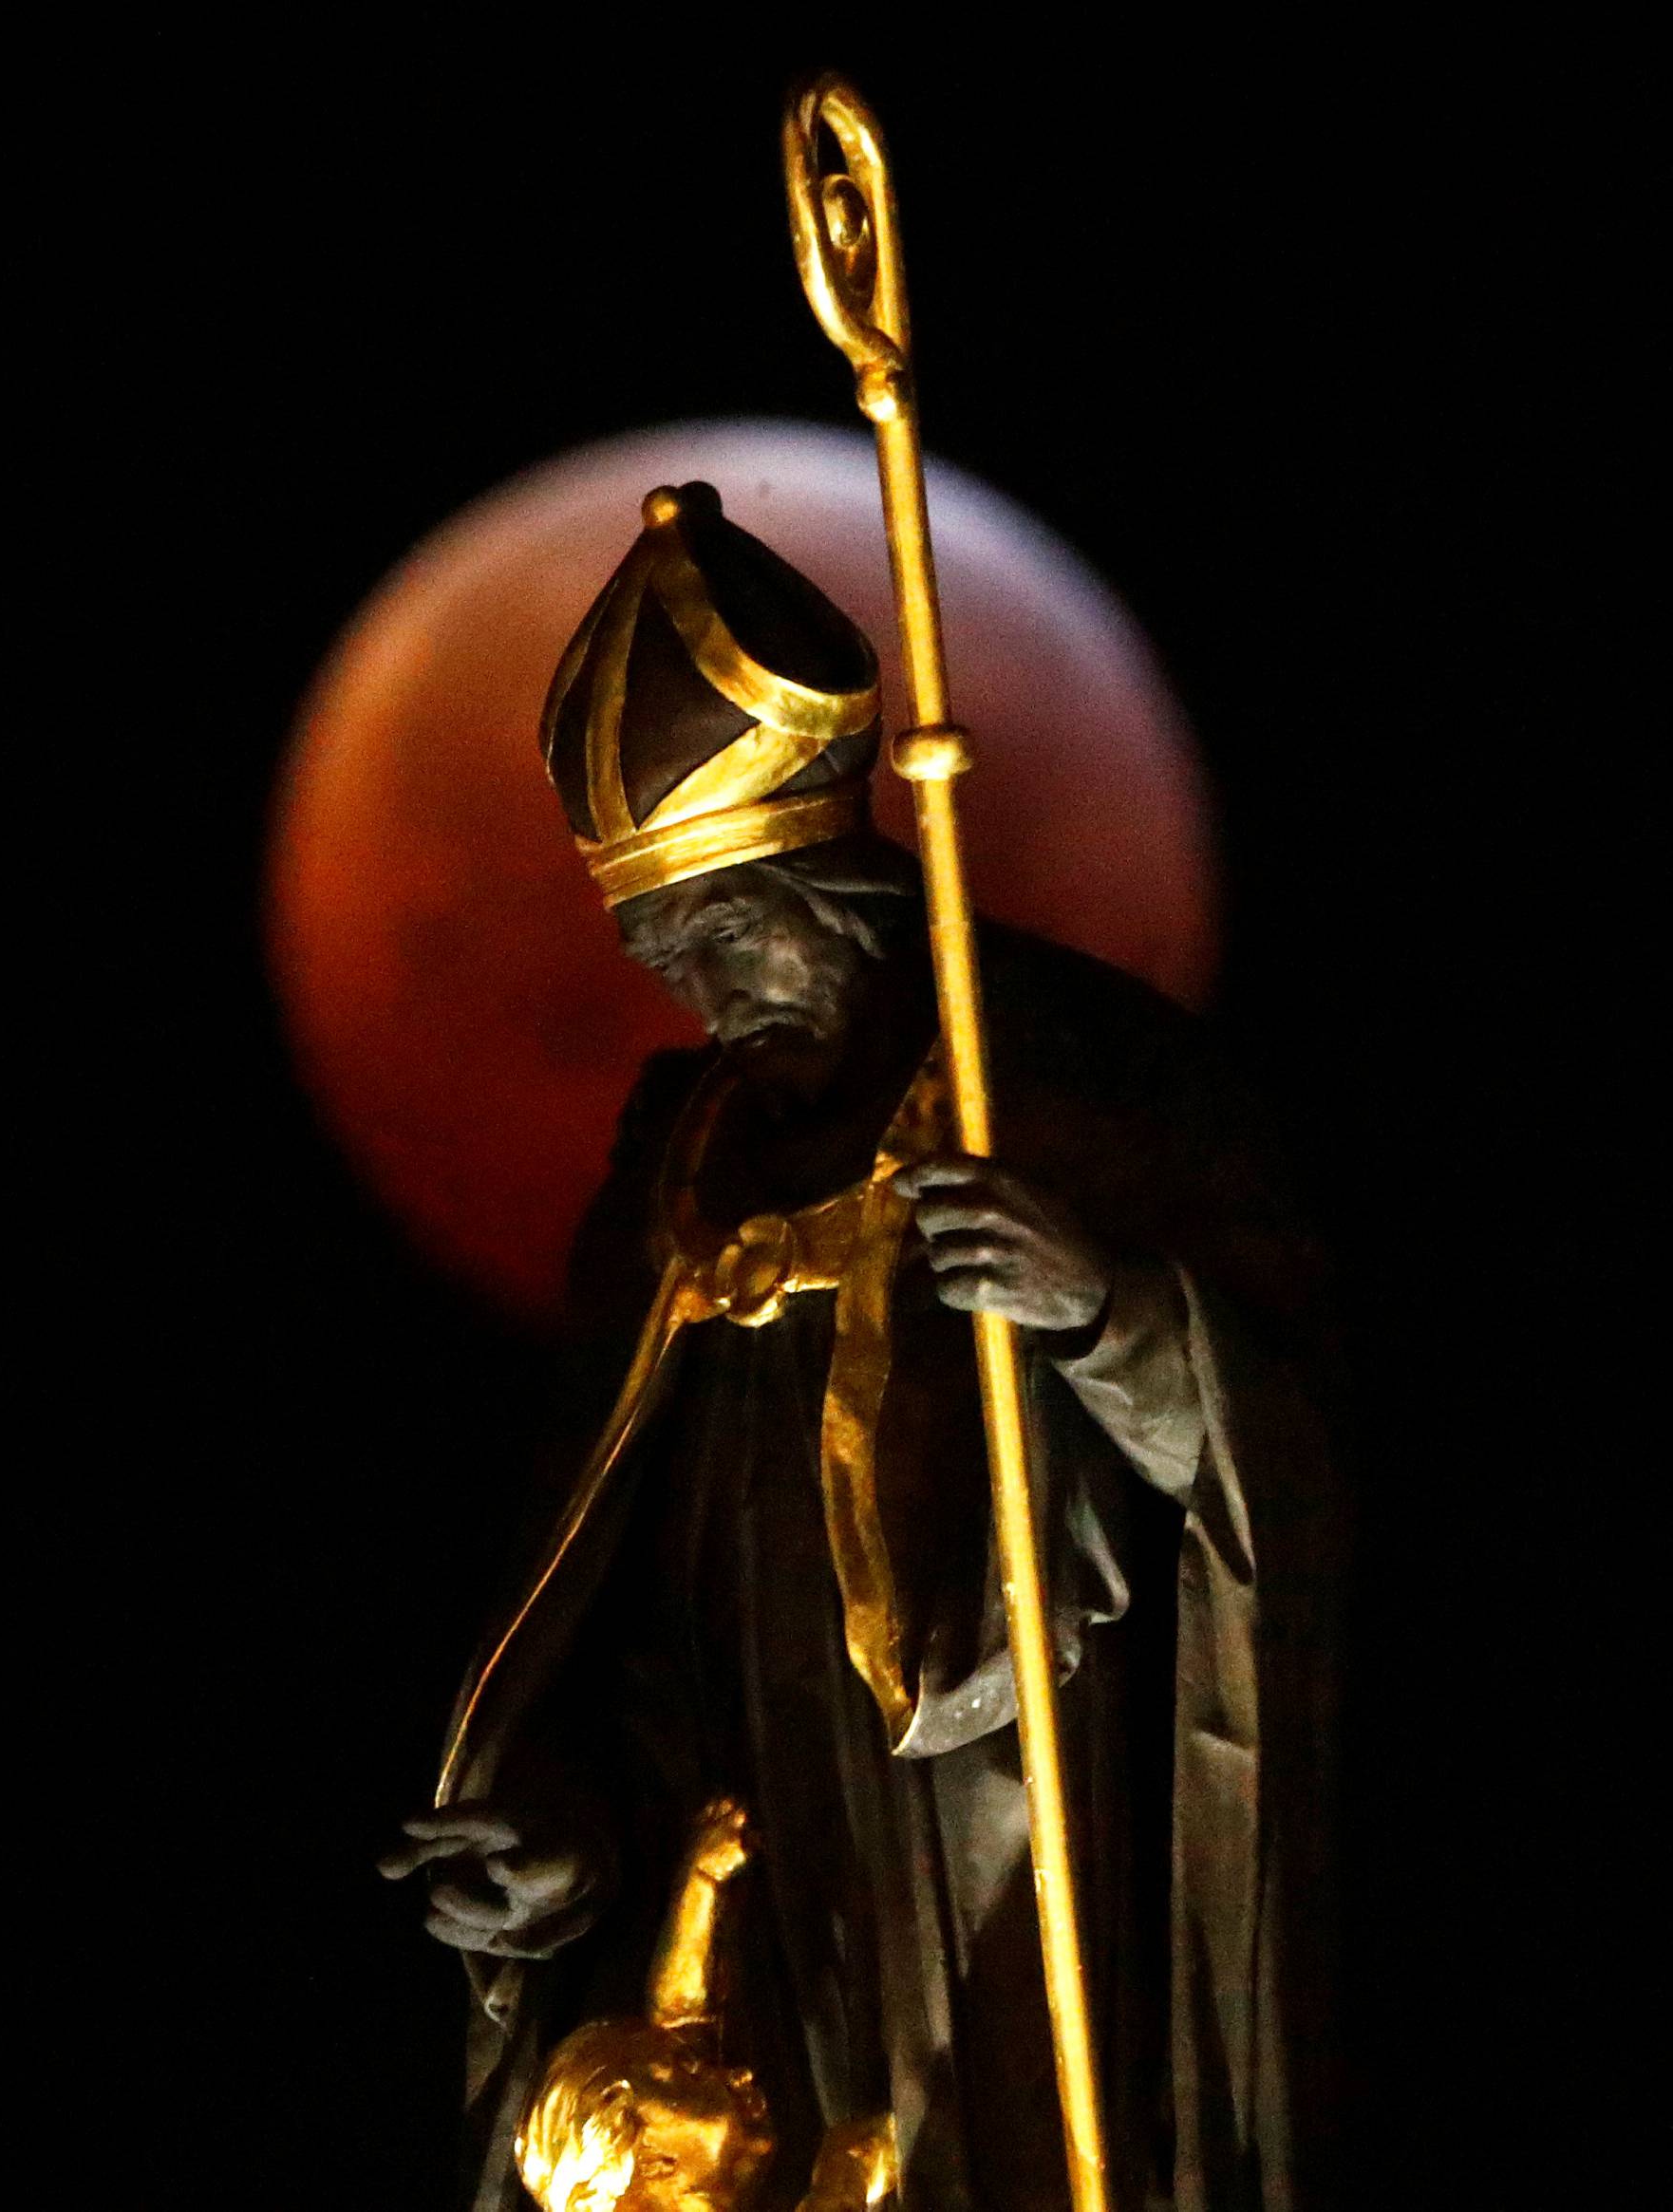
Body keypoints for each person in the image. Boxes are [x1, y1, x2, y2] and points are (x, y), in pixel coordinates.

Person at [379, 482, 1343, 2211]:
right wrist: (565, 1830)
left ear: (831, 878)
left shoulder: (1063, 1076)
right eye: (651, 951)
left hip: (1018, 1818)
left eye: (712, 931)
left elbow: (1292, 1457)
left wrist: (1109, 1311)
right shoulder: (680, 1153)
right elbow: (614, 1604)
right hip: (752, 1855)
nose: (690, 990)